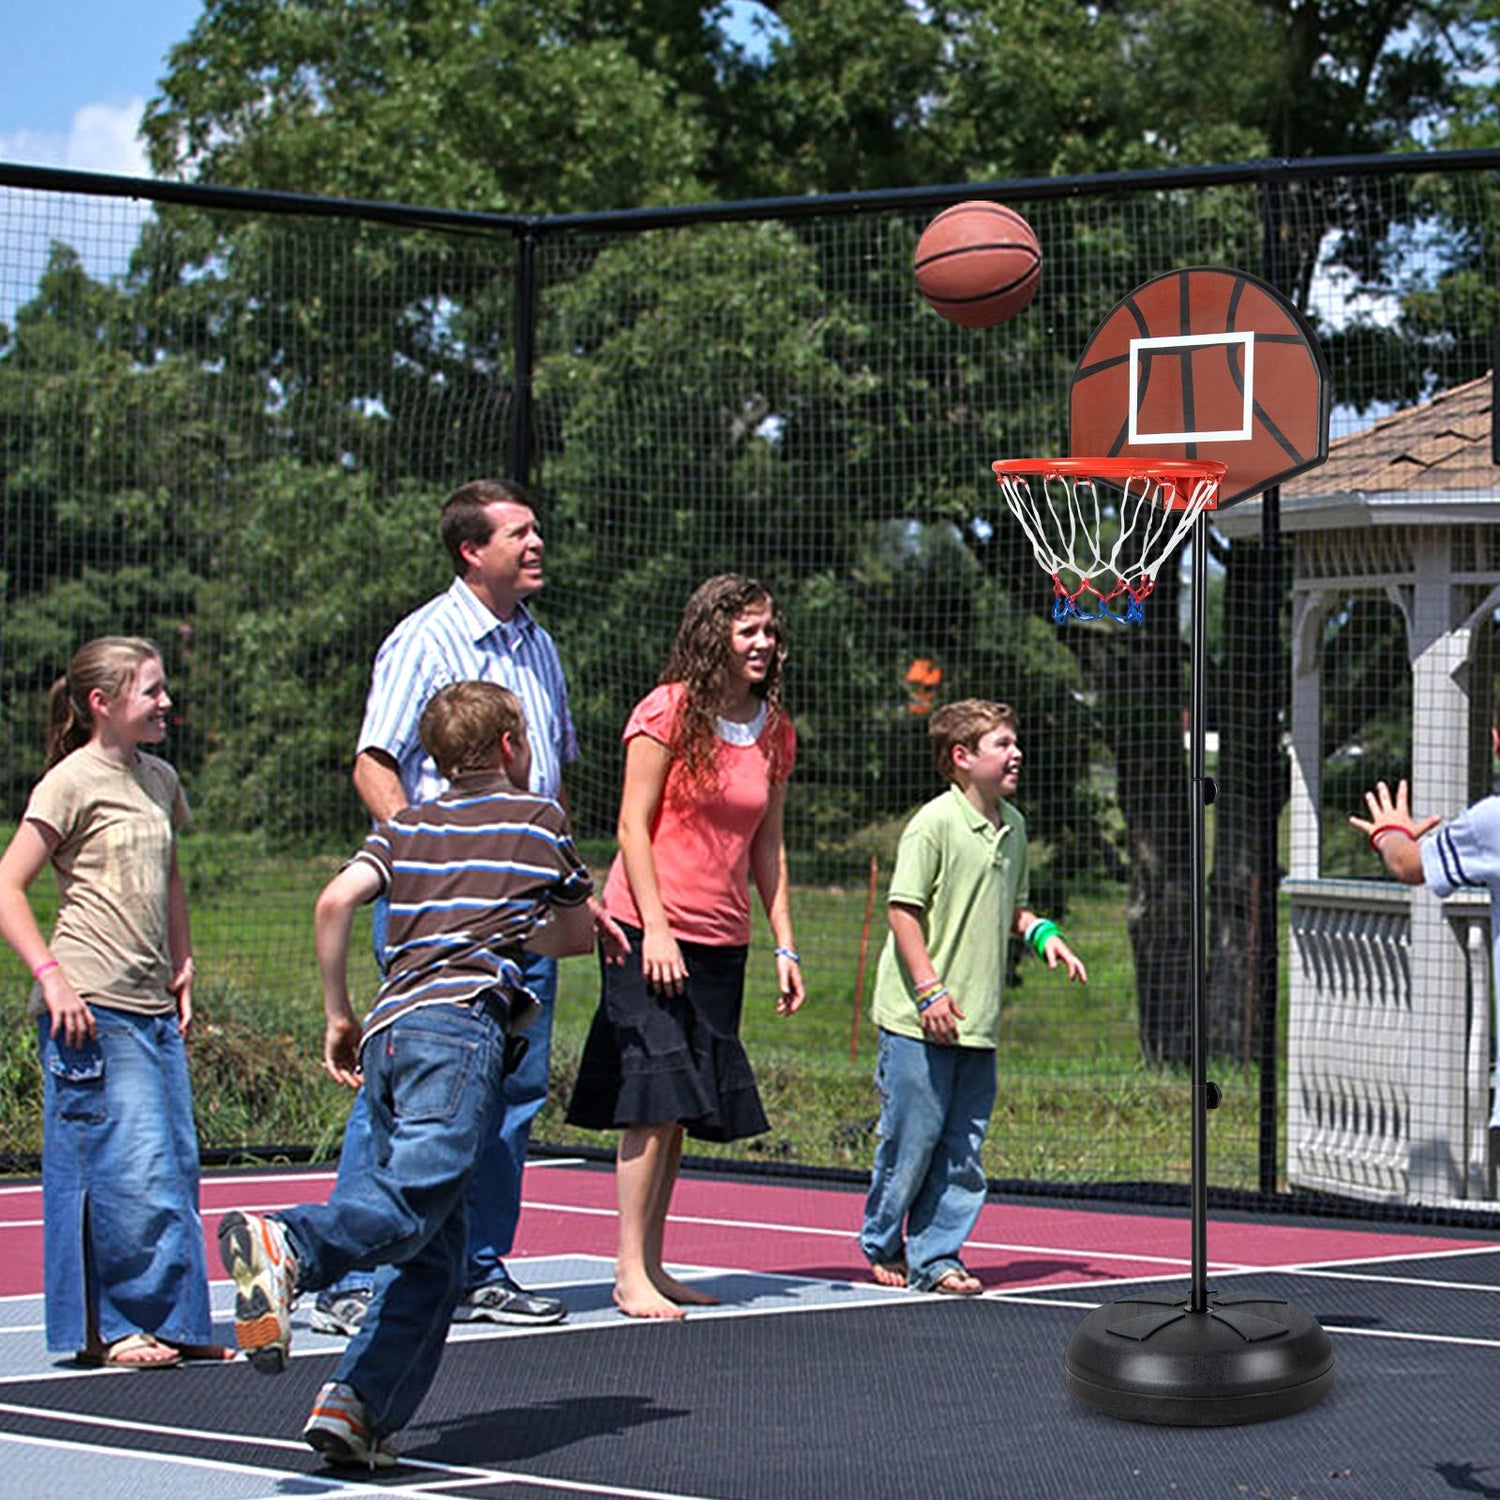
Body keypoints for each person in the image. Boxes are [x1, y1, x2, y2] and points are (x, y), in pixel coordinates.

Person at [218, 681, 595, 1468]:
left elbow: (334, 902)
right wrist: (519, 925)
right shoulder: (538, 819)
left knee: (433, 1254)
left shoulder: (407, 825)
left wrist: (338, 1014)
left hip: (390, 1031)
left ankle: (357, 1406)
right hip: (460, 1031)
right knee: (419, 1195)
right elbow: (573, 936)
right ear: (510, 746)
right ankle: (292, 1243)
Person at [316, 476, 618, 1337]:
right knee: (407, 1089)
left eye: (536, 530)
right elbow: (374, 762)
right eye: (518, 533)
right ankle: (349, 1272)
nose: (537, 543)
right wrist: (430, 861)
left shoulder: (539, 645)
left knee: (512, 1088)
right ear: (471, 550)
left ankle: (476, 1266)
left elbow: (552, 773)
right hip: (442, 914)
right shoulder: (424, 639)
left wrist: (556, 874)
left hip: (523, 907)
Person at [565, 573, 805, 1319]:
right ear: (714, 635)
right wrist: (658, 929)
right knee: (653, 1096)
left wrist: (785, 945)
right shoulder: (666, 710)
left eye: (769, 630)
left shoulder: (774, 731)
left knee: (679, 1112)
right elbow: (631, 826)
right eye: (748, 630)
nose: (763, 642)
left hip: (722, 939)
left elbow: (769, 845)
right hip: (646, 931)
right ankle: (627, 1270)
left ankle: (655, 1264)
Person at [0, 637, 230, 1369]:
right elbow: (7, 886)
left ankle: (177, 1321)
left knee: (174, 1167)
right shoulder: (68, 783)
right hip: (91, 1003)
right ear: (102, 703)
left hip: (153, 1004)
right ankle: (111, 1328)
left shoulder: (159, 778)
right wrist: (51, 978)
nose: (167, 702)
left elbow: (169, 876)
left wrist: (182, 960)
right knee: (116, 1170)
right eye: (151, 690)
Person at [859, 699, 1088, 1295]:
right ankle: (883, 1241)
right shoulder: (933, 824)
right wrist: (929, 990)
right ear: (961, 757)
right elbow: (903, 912)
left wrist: (1045, 936)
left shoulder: (1015, 827)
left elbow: (1013, 907)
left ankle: (936, 1257)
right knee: (912, 1140)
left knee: (962, 1148)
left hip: (976, 1022)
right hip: (917, 1019)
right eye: (1002, 744)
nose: (1017, 754)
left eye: (1015, 742)